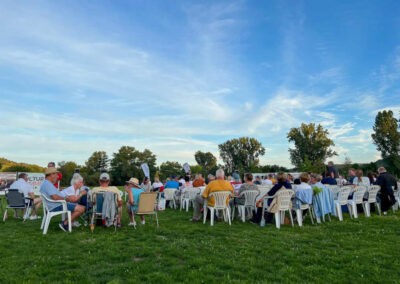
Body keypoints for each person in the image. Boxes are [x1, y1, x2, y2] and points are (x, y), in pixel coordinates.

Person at [40, 167, 85, 232]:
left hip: (56, 204)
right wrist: (66, 199)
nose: (57, 176)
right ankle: (64, 223)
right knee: (81, 209)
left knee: (79, 206)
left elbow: (55, 195)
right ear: (51, 175)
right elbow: (55, 197)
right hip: (57, 205)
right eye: (56, 174)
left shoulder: (46, 183)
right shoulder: (47, 184)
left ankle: (67, 222)